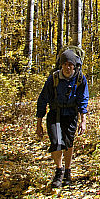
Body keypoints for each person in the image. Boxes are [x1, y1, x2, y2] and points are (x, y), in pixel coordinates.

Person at [36, 48, 89, 188]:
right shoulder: (53, 78)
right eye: (65, 64)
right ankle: (59, 171)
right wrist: (38, 123)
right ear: (61, 65)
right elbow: (42, 100)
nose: (67, 67)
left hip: (71, 114)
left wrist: (83, 121)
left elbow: (83, 100)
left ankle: (68, 171)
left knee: (68, 143)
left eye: (70, 64)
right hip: (55, 114)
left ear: (75, 65)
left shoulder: (80, 79)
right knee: (56, 143)